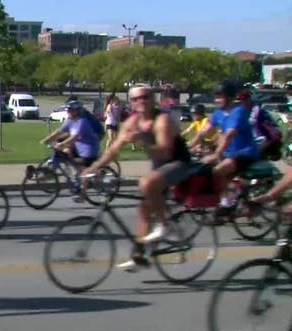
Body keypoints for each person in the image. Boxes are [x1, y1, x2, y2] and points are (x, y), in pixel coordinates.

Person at [83, 85, 192, 271]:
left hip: (179, 163)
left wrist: (143, 139)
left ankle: (165, 226)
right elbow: (112, 151)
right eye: (135, 99)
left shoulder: (161, 120)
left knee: (146, 182)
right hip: (160, 168)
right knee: (143, 211)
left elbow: (166, 152)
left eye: (145, 97)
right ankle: (138, 256)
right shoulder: (132, 122)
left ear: (153, 99)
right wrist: (90, 170)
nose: (141, 101)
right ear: (131, 103)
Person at [189, 81, 261, 214]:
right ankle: (229, 197)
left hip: (245, 153)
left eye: (220, 97)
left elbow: (228, 135)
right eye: (216, 97)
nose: (217, 100)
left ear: (230, 97)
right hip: (229, 153)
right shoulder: (218, 113)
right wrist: (189, 147)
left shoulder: (238, 112)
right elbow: (203, 131)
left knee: (218, 170)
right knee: (206, 170)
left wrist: (216, 154)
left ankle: (227, 202)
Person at [41, 100, 100, 202]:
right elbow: (59, 131)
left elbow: (74, 136)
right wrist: (47, 139)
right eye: (68, 110)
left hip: (89, 149)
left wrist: (61, 144)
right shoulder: (70, 120)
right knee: (66, 153)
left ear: (77, 111)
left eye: (71, 110)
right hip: (78, 147)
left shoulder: (82, 121)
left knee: (84, 173)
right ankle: (74, 175)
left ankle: (82, 194)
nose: (68, 112)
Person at [237, 90, 283, 160]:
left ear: (249, 100)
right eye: (240, 101)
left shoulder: (259, 113)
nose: (242, 103)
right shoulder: (241, 113)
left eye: (244, 100)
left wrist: (271, 141)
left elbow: (273, 131)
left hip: (261, 141)